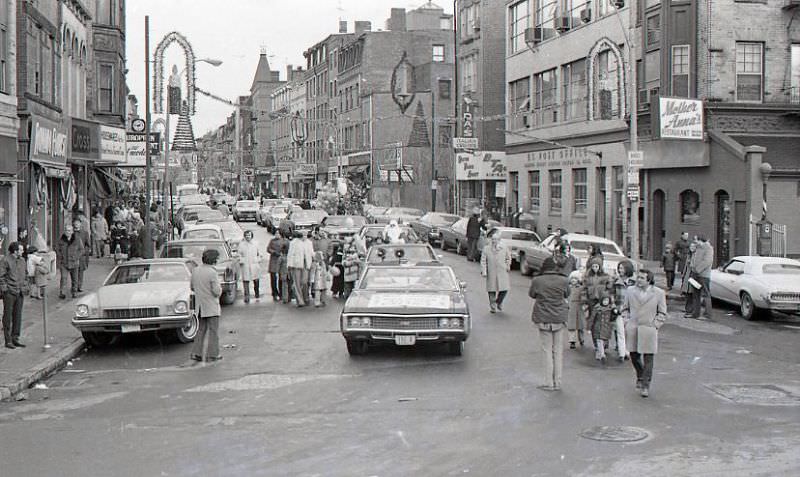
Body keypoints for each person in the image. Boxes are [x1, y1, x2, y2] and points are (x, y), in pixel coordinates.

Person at [622, 269, 668, 398]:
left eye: (642, 278)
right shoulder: (630, 291)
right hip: (633, 327)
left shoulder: (658, 293)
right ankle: (640, 375)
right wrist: (626, 322)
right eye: (638, 277)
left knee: (649, 358)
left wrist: (656, 325)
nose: (638, 280)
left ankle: (645, 385)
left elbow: (662, 313)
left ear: (649, 280)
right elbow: (625, 308)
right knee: (634, 356)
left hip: (649, 329)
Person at [529, 257, 570, 391]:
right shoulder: (563, 280)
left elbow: (532, 294)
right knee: (558, 351)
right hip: (559, 317)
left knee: (547, 350)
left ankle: (548, 382)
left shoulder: (537, 280)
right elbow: (566, 294)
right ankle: (558, 381)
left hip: (543, 316)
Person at [189, 249, 223, 363]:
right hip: (211, 306)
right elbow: (216, 291)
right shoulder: (212, 272)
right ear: (213, 259)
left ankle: (196, 353)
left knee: (201, 330)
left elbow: (192, 287)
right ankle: (213, 354)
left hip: (200, 306)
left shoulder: (195, 270)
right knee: (213, 331)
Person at [0, 242, 29, 349]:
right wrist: (5, 289)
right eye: (21, 250)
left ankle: (15, 338)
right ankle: (8, 341)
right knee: (7, 316)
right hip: (10, 292)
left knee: (18, 316)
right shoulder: (5, 260)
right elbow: (1, 276)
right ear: (15, 251)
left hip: (20, 291)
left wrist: (26, 286)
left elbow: (25, 275)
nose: (23, 251)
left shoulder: (22, 261)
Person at [480, 228, 511, 313]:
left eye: (496, 239)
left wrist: (508, 265)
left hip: (502, 271)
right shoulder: (486, 248)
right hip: (491, 271)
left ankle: (499, 302)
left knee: (504, 289)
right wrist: (484, 271)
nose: (494, 241)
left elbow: (508, 258)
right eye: (493, 239)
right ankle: (492, 306)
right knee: (491, 289)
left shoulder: (504, 247)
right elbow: (483, 261)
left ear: (499, 240)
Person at [287, 230, 314, 307]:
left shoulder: (309, 243)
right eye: (303, 235)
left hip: (306, 264)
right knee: (297, 283)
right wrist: (289, 265)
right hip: (296, 265)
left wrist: (316, 257)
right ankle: (300, 300)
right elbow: (290, 254)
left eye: (306, 235)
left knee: (304, 282)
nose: (305, 236)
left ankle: (306, 298)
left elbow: (312, 253)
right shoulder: (293, 243)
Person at [56, 225, 84, 299]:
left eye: (69, 230)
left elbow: (81, 250)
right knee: (63, 278)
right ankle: (62, 292)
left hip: (74, 262)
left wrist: (76, 257)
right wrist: (60, 256)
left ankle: (74, 292)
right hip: (64, 263)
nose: (67, 232)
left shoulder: (77, 239)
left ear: (72, 231)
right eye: (66, 230)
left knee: (74, 279)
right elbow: (57, 249)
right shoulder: (61, 240)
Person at [691, 235, 714, 319]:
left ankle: (707, 314)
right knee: (696, 294)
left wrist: (697, 269)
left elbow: (707, 261)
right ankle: (696, 313)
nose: (696, 242)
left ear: (702, 241)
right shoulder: (697, 248)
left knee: (705, 294)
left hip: (704, 275)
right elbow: (693, 259)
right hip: (695, 274)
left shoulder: (709, 248)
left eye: (698, 241)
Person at [237, 229, 262, 303]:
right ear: (244, 236)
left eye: (249, 235)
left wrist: (257, 260)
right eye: (246, 235)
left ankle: (257, 295)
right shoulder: (241, 244)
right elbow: (239, 254)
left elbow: (260, 254)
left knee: (256, 280)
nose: (248, 237)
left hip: (254, 264)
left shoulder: (256, 243)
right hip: (245, 264)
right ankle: (247, 296)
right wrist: (241, 260)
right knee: (246, 281)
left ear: (252, 236)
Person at [566, 270, 586, 349]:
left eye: (575, 279)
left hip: (579, 307)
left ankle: (581, 339)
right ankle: (572, 341)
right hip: (571, 308)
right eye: (572, 279)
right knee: (571, 326)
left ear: (578, 280)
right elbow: (566, 297)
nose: (573, 281)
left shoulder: (581, 288)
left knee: (580, 325)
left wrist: (584, 303)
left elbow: (584, 296)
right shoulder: (568, 288)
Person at [267, 230, 287, 301]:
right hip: (274, 260)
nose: (277, 235)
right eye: (276, 233)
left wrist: (283, 253)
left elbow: (287, 249)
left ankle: (281, 293)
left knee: (281, 278)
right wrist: (274, 252)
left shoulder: (285, 241)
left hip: (282, 261)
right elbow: (268, 249)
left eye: (278, 233)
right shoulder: (272, 241)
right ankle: (274, 293)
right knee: (273, 278)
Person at [72, 218, 91, 292]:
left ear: (80, 224)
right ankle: (74, 286)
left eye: (78, 222)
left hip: (82, 256)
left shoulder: (85, 233)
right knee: (73, 272)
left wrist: (84, 252)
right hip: (73, 255)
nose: (76, 224)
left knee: (80, 271)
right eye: (75, 222)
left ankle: (79, 286)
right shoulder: (71, 232)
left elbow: (88, 244)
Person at [681, 242, 697, 317]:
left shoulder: (697, 256)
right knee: (687, 294)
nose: (692, 248)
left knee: (692, 294)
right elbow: (685, 266)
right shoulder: (689, 255)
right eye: (691, 246)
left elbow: (695, 266)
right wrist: (683, 274)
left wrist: (691, 263)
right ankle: (687, 310)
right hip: (687, 276)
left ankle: (692, 310)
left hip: (693, 276)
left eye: (693, 246)